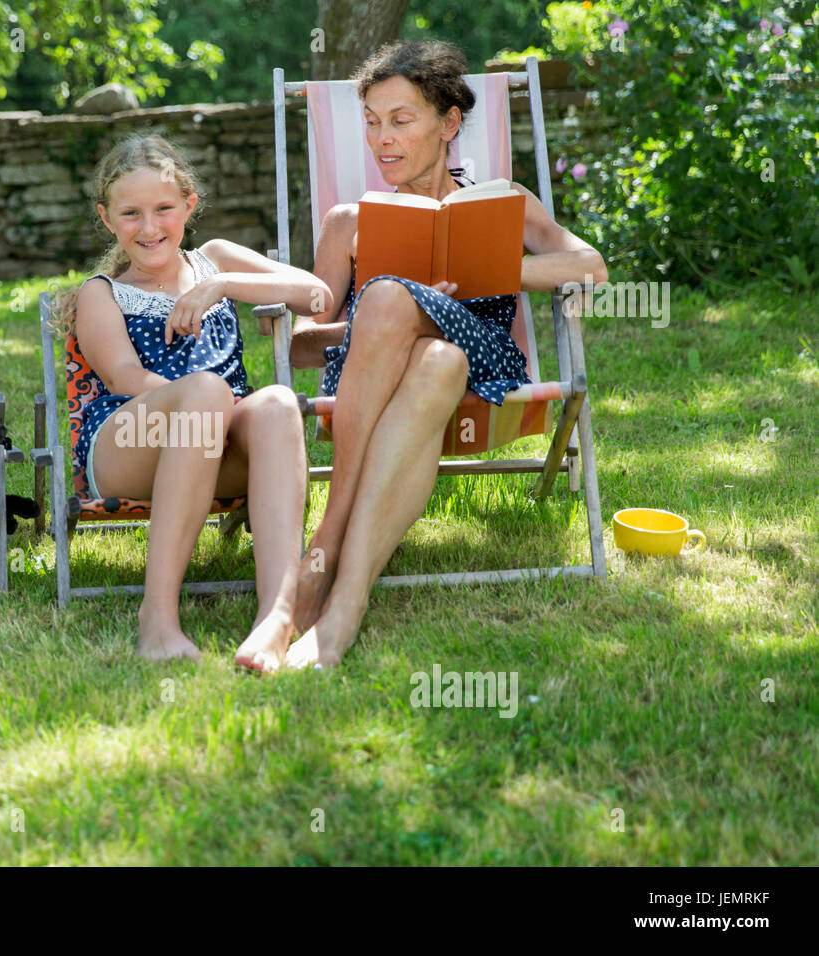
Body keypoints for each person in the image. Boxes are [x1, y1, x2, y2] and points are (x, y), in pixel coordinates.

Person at [285, 40, 608, 669]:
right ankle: (346, 607)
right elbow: (301, 345)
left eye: (401, 120)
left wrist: (494, 265)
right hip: (405, 372)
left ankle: (327, 540)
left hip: (486, 358)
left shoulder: (497, 198)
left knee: (386, 298)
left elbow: (591, 267)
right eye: (372, 123)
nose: (383, 139)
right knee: (412, 333)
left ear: (449, 123)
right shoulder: (347, 222)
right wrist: (393, 321)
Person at [53, 134, 332, 672]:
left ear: (189, 205)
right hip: (129, 446)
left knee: (275, 402)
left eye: (163, 209)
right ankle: (157, 620)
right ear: (107, 220)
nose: (150, 227)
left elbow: (317, 295)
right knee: (207, 390)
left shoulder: (214, 262)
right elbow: (125, 375)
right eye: (131, 213)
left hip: (217, 446)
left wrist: (223, 285)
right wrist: (209, 408)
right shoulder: (102, 292)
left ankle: (277, 617)